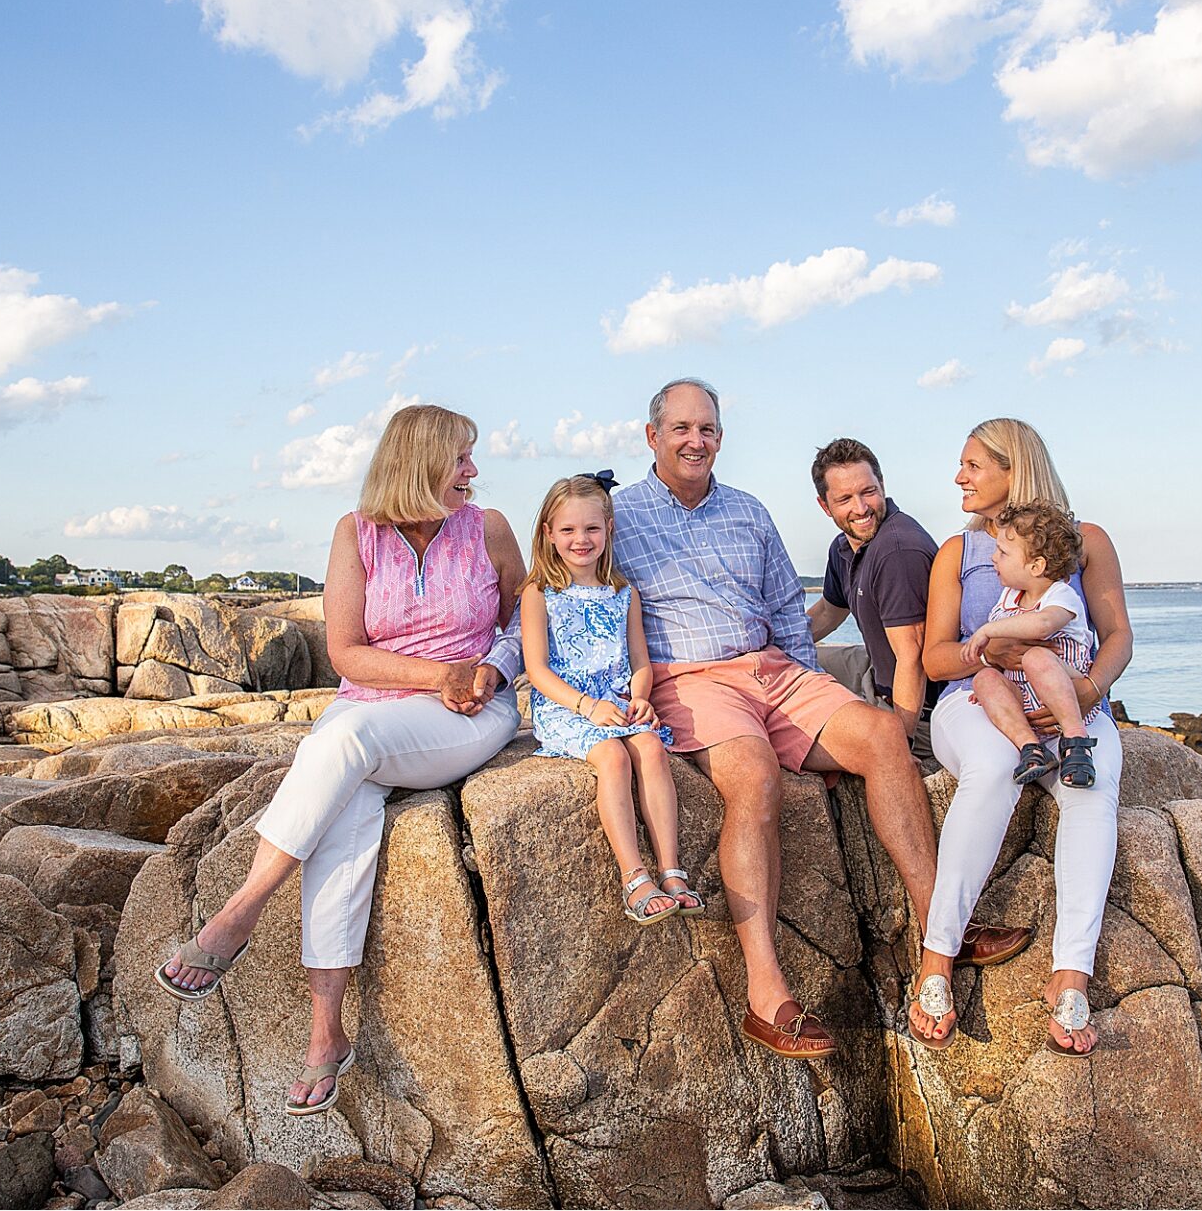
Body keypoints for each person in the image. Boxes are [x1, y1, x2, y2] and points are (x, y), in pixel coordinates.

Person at [611, 378, 1019, 1061]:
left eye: (708, 428)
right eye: (682, 428)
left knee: (884, 734)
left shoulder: (749, 511)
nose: (697, 440)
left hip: (772, 667)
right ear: (652, 436)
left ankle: (942, 926)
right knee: (754, 775)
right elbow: (570, 594)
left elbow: (787, 616)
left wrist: (813, 704)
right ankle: (766, 995)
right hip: (689, 677)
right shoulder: (619, 517)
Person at [154, 404, 525, 1115]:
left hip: (470, 714)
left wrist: (489, 671)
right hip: (374, 699)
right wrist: (429, 674)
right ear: (418, 463)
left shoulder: (491, 528)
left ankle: (240, 909)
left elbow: (521, 619)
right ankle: (326, 1034)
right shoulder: (356, 533)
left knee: (340, 745)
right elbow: (346, 652)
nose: (473, 472)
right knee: (345, 805)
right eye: (460, 459)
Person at [919, 418, 1132, 1057]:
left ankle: (1071, 975)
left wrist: (1087, 691)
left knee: (1092, 791)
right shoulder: (957, 553)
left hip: (1067, 698)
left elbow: (1118, 636)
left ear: (1016, 471)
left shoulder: (1085, 540)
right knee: (991, 768)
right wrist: (997, 657)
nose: (959, 477)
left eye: (972, 465)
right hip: (977, 700)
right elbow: (934, 659)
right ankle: (937, 959)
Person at [519, 473, 698, 925]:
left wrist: (640, 697)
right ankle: (633, 874)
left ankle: (671, 868)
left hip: (616, 700)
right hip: (568, 706)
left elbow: (641, 660)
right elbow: (537, 670)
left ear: (609, 529)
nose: (581, 539)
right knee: (614, 758)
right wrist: (586, 706)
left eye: (592, 528)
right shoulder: (540, 594)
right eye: (569, 530)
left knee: (652, 747)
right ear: (549, 534)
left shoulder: (623, 593)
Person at [805, 438, 941, 757]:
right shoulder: (844, 545)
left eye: (868, 492)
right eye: (845, 499)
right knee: (783, 666)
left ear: (882, 484)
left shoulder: (898, 551)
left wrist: (898, 748)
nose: (861, 508)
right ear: (825, 506)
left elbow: (913, 657)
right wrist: (771, 646)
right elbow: (828, 612)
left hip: (919, 710)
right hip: (875, 671)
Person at [962, 501, 1098, 790]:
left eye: (1003, 552)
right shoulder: (1009, 597)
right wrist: (994, 690)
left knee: (1037, 657)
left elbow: (1042, 625)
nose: (993, 558)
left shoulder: (1061, 596)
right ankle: (1031, 748)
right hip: (1025, 696)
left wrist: (988, 630)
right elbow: (1004, 657)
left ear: (1036, 566)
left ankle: (1076, 742)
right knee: (985, 678)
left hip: (1065, 689)